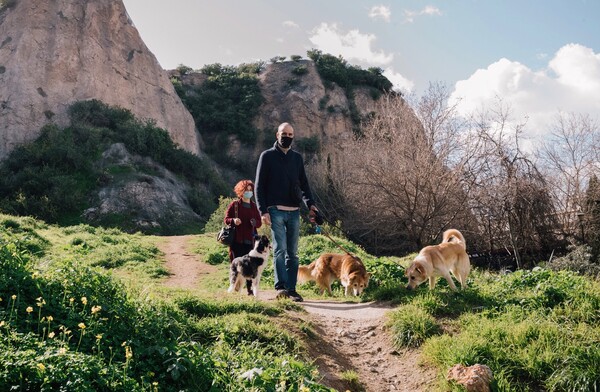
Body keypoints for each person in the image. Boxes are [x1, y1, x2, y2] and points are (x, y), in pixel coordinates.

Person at [255, 122, 319, 302]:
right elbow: (259, 185)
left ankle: (292, 289)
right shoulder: (266, 156)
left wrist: (311, 205)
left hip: (294, 211)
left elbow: (304, 184)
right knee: (280, 249)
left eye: (291, 135)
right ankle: (281, 287)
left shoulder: (297, 158)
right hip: (275, 210)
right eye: (284, 134)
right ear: (277, 135)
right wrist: (263, 210)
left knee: (293, 252)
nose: (287, 137)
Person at [224, 179, 262, 295]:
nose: (249, 193)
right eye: (246, 190)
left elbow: (259, 223)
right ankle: (235, 288)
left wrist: (254, 222)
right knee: (236, 266)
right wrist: (233, 220)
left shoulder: (254, 206)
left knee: (250, 267)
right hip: (236, 241)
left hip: (250, 242)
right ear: (241, 192)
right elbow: (226, 220)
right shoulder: (234, 205)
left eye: (250, 190)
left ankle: (249, 291)